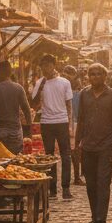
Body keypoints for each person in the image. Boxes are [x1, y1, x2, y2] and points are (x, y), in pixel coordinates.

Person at [75, 64, 112, 223]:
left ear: (105, 76)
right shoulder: (84, 95)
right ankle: (94, 218)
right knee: (91, 185)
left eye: (98, 74)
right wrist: (77, 143)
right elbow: (80, 119)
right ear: (88, 77)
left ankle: (101, 221)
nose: (95, 77)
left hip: (106, 146)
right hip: (88, 145)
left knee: (103, 184)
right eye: (92, 74)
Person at [32, 54, 75, 199]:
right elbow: (35, 104)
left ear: (53, 66)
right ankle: (52, 189)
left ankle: (66, 188)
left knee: (66, 155)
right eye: (43, 66)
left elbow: (69, 105)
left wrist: (70, 125)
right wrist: (41, 87)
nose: (46, 69)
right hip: (46, 123)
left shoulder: (64, 82)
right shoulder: (39, 83)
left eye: (48, 65)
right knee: (49, 157)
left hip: (62, 122)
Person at [0, 61, 31, 155]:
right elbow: (26, 109)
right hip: (15, 129)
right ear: (11, 72)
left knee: (0, 158)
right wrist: (28, 128)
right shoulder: (19, 88)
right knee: (16, 158)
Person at [64, 65, 84, 185]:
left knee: (75, 150)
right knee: (74, 150)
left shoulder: (77, 92)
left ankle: (77, 175)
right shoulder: (74, 90)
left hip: (74, 122)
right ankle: (76, 176)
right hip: (70, 122)